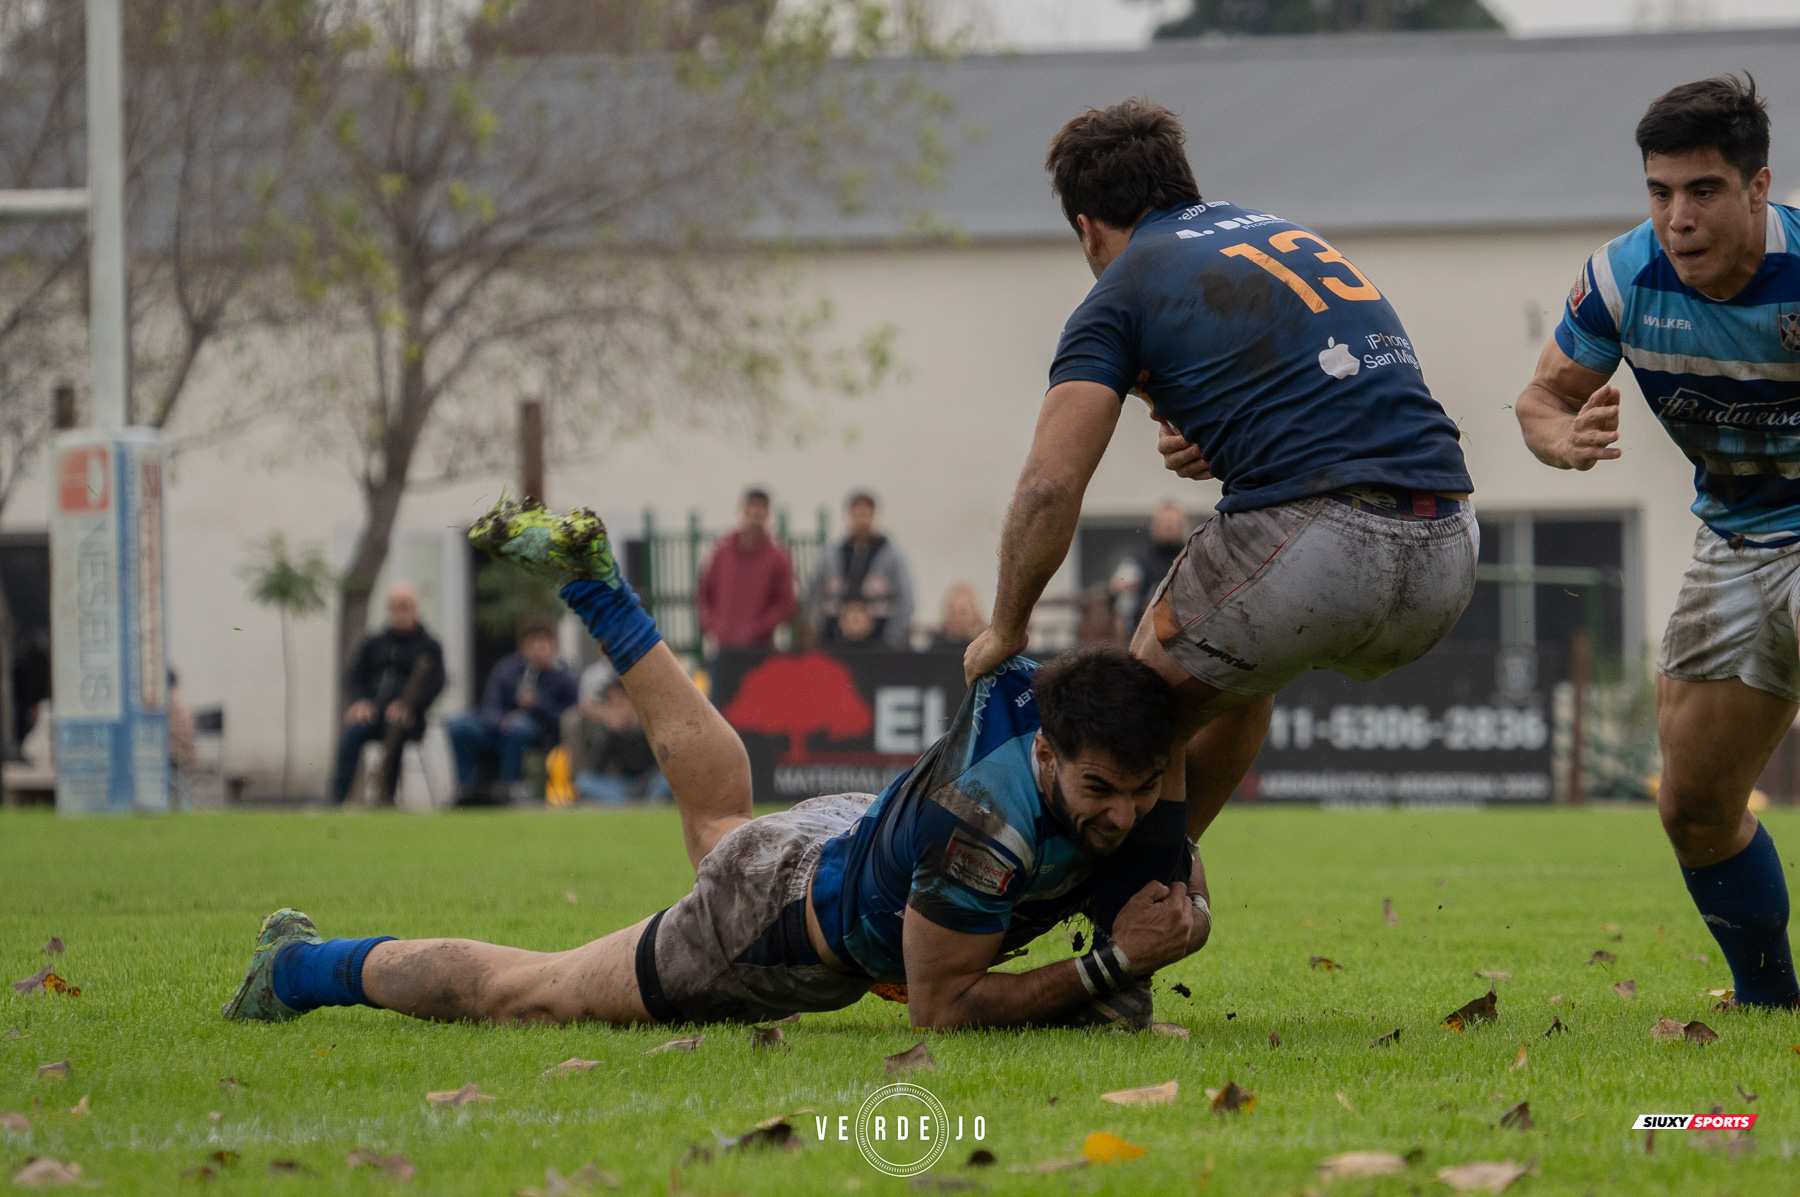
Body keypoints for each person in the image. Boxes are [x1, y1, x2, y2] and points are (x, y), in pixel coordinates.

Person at [222, 502, 1206, 1030]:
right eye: (1097, 793)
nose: (1121, 815)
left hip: (832, 836)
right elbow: (941, 1008)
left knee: (727, 831)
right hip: (775, 927)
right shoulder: (980, 829)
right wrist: (1115, 965)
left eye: (1137, 791)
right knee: (536, 991)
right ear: (1047, 751)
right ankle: (302, 970)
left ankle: (602, 594)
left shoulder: (1058, 696)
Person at [963, 99, 1477, 854]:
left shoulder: (1121, 285)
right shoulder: (1279, 232)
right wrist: (1223, 436)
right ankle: (1163, 870)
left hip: (1319, 542)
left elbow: (1049, 485)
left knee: (1133, 710)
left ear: (1086, 228)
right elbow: (1324, 385)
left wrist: (1004, 628)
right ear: (1183, 185)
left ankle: (1135, 906)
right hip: (1451, 544)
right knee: (1234, 674)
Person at [1514, 76, 1799, 1009]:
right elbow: (1542, 397)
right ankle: (1768, 1000)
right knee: (1695, 808)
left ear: (1759, 188)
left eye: (1704, 191)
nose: (1678, 216)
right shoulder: (1619, 281)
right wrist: (1562, 440)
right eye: (1660, 192)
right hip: (1735, 547)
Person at [329, 583, 446, 805]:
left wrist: (411, 706)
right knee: (353, 732)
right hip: (374, 714)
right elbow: (354, 676)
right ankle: (337, 797)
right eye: (394, 607)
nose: (399, 613)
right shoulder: (374, 643)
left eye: (405, 607)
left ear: (415, 609)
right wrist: (360, 701)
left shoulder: (429, 647)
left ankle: (386, 799)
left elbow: (435, 684)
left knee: (396, 733)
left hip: (409, 718)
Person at [445, 615, 576, 802]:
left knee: (519, 728)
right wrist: (503, 720)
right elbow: (489, 706)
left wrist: (538, 704)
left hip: (535, 733)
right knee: (458, 726)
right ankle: (466, 791)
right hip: (496, 727)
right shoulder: (507, 669)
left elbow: (566, 716)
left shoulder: (563, 677)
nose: (539, 649)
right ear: (524, 646)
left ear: (554, 645)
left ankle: (505, 790)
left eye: (544, 643)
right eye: (534, 643)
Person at [695, 488, 796, 652]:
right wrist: (713, 625)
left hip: (759, 647)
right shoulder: (722, 554)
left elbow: (784, 603)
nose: (756, 513)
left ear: (767, 514)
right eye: (752, 507)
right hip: (723, 646)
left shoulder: (777, 558)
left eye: (762, 508)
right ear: (743, 510)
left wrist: (759, 628)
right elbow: (705, 592)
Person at [811, 492, 915, 649]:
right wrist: (817, 630)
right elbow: (815, 594)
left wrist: (892, 638)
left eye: (865, 514)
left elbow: (906, 600)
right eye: (856, 514)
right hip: (833, 640)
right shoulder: (831, 555)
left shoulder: (893, 557)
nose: (861, 520)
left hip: (880, 641)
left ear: (873, 516)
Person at [561, 678, 670, 803]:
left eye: (620, 703)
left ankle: (633, 802)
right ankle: (631, 803)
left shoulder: (647, 724)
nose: (616, 709)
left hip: (649, 783)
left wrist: (639, 789)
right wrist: (608, 730)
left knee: (665, 782)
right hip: (623, 786)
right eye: (610, 704)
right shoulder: (609, 731)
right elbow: (595, 768)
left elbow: (660, 766)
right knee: (584, 782)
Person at [1119, 503, 1189, 636]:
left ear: (1183, 527)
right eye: (1164, 522)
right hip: (1143, 636)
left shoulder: (1193, 560)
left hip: (1184, 637)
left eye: (1174, 522)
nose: (1169, 526)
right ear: (1153, 528)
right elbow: (1122, 604)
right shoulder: (1136, 563)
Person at [927, 582, 987, 652]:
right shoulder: (937, 648)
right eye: (952, 612)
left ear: (975, 613)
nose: (957, 617)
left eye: (962, 612)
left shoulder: (985, 646)